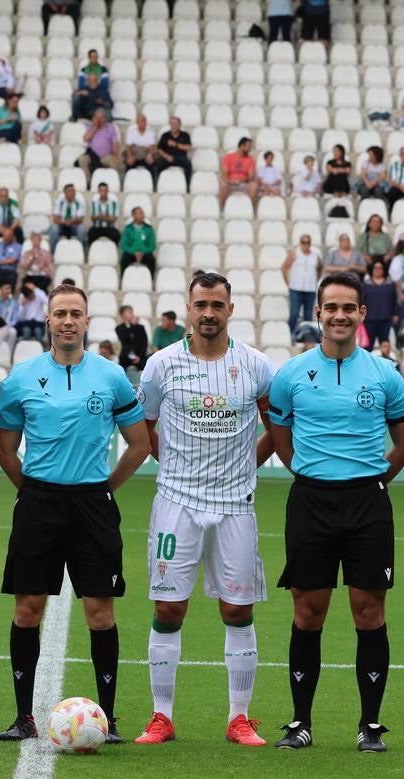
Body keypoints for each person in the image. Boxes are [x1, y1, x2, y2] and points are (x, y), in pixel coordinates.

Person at [267, 272, 404, 752]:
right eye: (330, 307)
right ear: (317, 313)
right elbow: (280, 437)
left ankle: (370, 724)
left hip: (367, 504)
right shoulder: (290, 374)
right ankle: (300, 722)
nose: (339, 315)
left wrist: (371, 482)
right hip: (310, 501)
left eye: (348, 307)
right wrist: (312, 474)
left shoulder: (383, 373)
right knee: (308, 611)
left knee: (368, 612)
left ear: (361, 314)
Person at [0, 284, 150, 741]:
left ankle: (108, 718)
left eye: (75, 314)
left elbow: (139, 444)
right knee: (27, 609)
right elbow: (6, 452)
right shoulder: (22, 377)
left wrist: (103, 489)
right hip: (38, 503)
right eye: (59, 313)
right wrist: (35, 493)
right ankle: (23, 717)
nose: (67, 321)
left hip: (92, 505)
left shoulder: (111, 376)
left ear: (86, 321)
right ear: (47, 320)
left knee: (101, 612)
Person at [132, 272, 275, 747]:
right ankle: (161, 716)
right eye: (201, 305)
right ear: (188, 310)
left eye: (217, 304)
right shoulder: (161, 365)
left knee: (237, 609)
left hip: (236, 506)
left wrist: (245, 468)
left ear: (230, 309)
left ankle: (239, 718)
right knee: (169, 607)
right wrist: (173, 464)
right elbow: (145, 427)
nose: (208, 313)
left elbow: (275, 426)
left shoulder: (255, 366)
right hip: (177, 504)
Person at [282, 234, 322, 337]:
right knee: (294, 314)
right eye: (304, 242)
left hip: (310, 289)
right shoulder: (294, 254)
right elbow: (284, 267)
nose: (306, 244)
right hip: (296, 288)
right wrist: (287, 282)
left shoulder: (315, 255)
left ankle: (306, 337)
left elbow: (320, 268)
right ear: (300, 243)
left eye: (308, 242)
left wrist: (315, 280)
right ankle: (290, 335)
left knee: (308, 316)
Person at [362, 260, 401, 347]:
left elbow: (394, 300)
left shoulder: (390, 284)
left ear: (384, 269)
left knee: (385, 346)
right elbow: (361, 302)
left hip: (385, 319)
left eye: (380, 268)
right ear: (371, 269)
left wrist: (395, 314)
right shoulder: (365, 285)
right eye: (375, 268)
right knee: (368, 346)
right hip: (369, 320)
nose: (377, 270)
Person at [78, 108, 120, 178]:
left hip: (106, 156)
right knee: (82, 160)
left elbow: (115, 143)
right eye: (97, 118)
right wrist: (95, 127)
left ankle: (112, 180)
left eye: (101, 118)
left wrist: (115, 155)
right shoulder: (91, 127)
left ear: (105, 118)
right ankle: (88, 181)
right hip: (92, 156)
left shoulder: (111, 128)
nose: (100, 120)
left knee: (113, 162)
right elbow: (85, 139)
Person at [219, 137, 259, 208]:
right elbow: (224, 174)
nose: (250, 148)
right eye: (248, 146)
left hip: (244, 183)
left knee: (254, 186)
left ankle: (251, 208)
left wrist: (247, 177)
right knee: (224, 185)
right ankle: (222, 209)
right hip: (231, 183)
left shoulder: (250, 159)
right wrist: (229, 181)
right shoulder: (229, 157)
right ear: (242, 146)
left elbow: (251, 177)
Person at [48, 183, 87, 249]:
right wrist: (65, 222)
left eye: (74, 191)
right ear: (65, 193)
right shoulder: (59, 202)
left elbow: (80, 219)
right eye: (71, 191)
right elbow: (55, 219)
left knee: (82, 229)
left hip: (74, 226)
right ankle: (52, 253)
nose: (73, 193)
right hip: (61, 225)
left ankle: (80, 251)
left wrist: (71, 221)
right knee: (54, 228)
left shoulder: (79, 203)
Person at [119, 206, 156, 275]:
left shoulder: (149, 229)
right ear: (134, 215)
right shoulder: (128, 229)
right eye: (140, 213)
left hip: (144, 253)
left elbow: (152, 245)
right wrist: (134, 253)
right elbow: (123, 245)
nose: (142, 215)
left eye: (142, 213)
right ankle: (123, 279)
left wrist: (142, 253)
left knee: (151, 259)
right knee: (125, 258)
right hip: (131, 253)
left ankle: (151, 280)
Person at [155, 117, 193, 184]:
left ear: (179, 125)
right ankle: (157, 184)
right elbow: (159, 149)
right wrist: (167, 156)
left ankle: (188, 186)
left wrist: (176, 144)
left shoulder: (185, 135)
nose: (174, 125)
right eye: (172, 124)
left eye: (176, 124)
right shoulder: (165, 135)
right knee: (158, 163)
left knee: (188, 164)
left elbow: (189, 147)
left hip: (180, 158)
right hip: (167, 158)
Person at [115, 304, 148, 374]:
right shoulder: (119, 328)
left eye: (132, 312)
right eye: (129, 312)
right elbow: (125, 339)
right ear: (122, 315)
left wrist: (139, 356)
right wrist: (132, 325)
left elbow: (144, 343)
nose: (132, 314)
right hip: (126, 357)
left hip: (140, 356)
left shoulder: (140, 327)